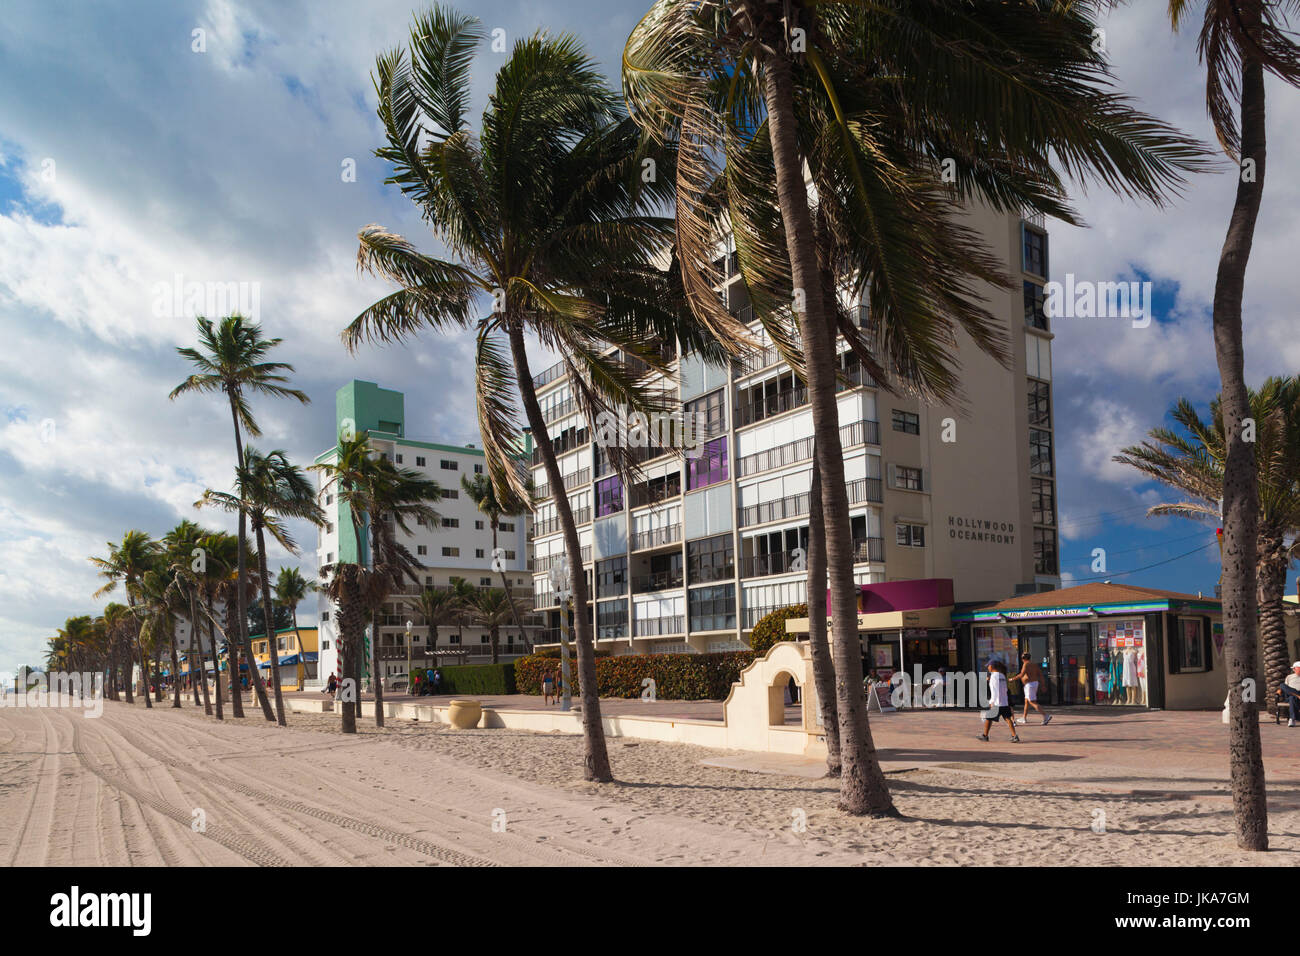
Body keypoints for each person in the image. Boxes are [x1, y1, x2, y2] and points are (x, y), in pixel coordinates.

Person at [977, 660, 1020, 743]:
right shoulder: (1002, 675)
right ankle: (1014, 735)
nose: (988, 667)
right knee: (1008, 718)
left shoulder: (993, 676)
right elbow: (1004, 688)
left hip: (996, 703)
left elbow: (994, 690)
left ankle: (985, 735)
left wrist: (992, 702)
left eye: (988, 666)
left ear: (992, 666)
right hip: (1004, 702)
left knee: (988, 718)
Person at [1011, 652, 1052, 726]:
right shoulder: (1034, 664)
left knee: (1032, 702)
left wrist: (1012, 679)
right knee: (1027, 701)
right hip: (1034, 683)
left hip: (1029, 685)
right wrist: (1043, 685)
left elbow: (1021, 674)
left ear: (1023, 658)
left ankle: (1046, 715)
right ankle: (1024, 718)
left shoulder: (1026, 664)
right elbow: (1040, 674)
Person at [1280, 661, 1300, 727]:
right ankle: (1297, 695)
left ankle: (1292, 719)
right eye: (1294, 668)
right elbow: (1285, 688)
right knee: (1282, 685)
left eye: (1295, 668)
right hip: (1290, 695)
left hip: (1295, 696)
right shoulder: (1289, 677)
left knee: (1292, 698)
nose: (1294, 669)